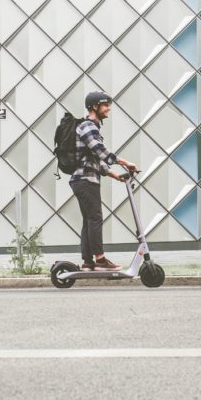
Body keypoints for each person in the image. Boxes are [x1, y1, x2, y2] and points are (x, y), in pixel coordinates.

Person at [70, 92, 138, 272]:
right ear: (94, 107)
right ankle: (100, 259)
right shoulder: (87, 126)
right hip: (85, 180)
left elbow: (95, 161)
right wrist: (125, 162)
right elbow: (101, 152)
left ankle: (88, 261)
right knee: (95, 218)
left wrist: (116, 175)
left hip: (83, 179)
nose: (109, 108)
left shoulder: (91, 127)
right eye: (105, 105)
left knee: (89, 220)